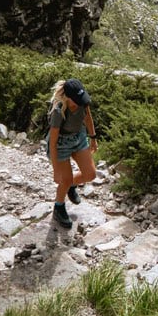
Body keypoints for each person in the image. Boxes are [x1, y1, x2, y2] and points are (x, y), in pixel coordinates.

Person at [48, 77, 98, 228]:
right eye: (76, 99)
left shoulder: (82, 101)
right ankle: (59, 207)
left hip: (79, 138)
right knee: (65, 179)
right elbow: (53, 141)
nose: (80, 101)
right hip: (61, 144)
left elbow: (88, 118)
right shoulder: (59, 111)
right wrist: (56, 170)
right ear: (68, 97)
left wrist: (93, 138)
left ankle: (69, 185)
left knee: (90, 174)